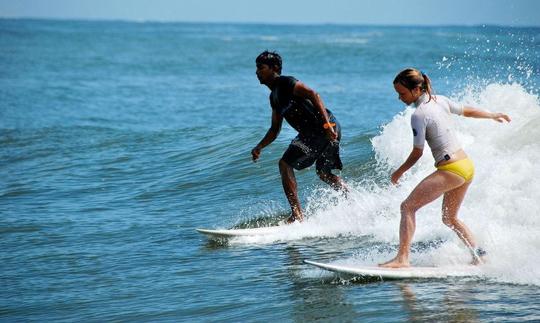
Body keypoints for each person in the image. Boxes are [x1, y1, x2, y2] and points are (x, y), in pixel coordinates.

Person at [380, 68, 511, 268]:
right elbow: (467, 111)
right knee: (449, 218)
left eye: (402, 93)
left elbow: (417, 152)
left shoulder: (418, 114)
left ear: (416, 90)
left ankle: (402, 258)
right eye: (398, 94)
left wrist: (399, 171)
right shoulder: (440, 100)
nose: (399, 98)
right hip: (466, 166)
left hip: (451, 169)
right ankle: (479, 255)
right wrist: (491, 115)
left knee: (407, 207)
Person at [251, 50, 347, 223]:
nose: (257, 72)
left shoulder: (287, 82)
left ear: (275, 68)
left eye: (261, 68)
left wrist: (326, 125)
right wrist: (260, 146)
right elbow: (275, 129)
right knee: (324, 173)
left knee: (285, 164)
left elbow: (314, 94)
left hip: (322, 128)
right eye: (257, 68)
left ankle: (297, 215)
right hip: (322, 130)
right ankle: (352, 199)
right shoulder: (274, 97)